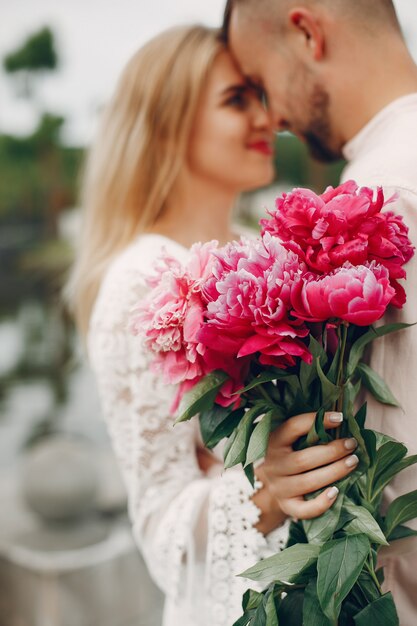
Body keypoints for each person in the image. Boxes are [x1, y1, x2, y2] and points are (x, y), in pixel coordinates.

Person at [66, 25, 360, 626]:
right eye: (236, 100)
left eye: (260, 96)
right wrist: (268, 495)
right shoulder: (140, 281)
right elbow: (160, 527)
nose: (267, 116)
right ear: (167, 124)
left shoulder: (261, 247)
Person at [224, 1, 417, 623]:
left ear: (306, 32)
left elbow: (396, 470)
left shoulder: (383, 199)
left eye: (260, 84)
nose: (271, 116)